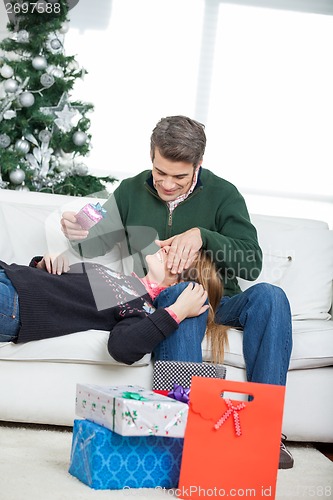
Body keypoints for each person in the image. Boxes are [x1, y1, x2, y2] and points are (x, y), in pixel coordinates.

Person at [61, 115, 294, 468]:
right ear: (151, 156)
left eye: (180, 176)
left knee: (271, 296)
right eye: (160, 171)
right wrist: (78, 229)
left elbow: (252, 263)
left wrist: (204, 235)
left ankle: (265, 428)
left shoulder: (224, 194)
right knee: (177, 295)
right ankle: (185, 428)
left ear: (198, 165)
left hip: (223, 300)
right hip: (167, 295)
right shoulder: (129, 189)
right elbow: (91, 241)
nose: (167, 184)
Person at [0, 248, 228, 365]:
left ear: (182, 283)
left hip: (13, 302)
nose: (168, 248)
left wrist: (177, 311)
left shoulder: (143, 309)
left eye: (179, 256)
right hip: (10, 276)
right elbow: (61, 288)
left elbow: (122, 347)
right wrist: (43, 263)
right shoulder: (125, 281)